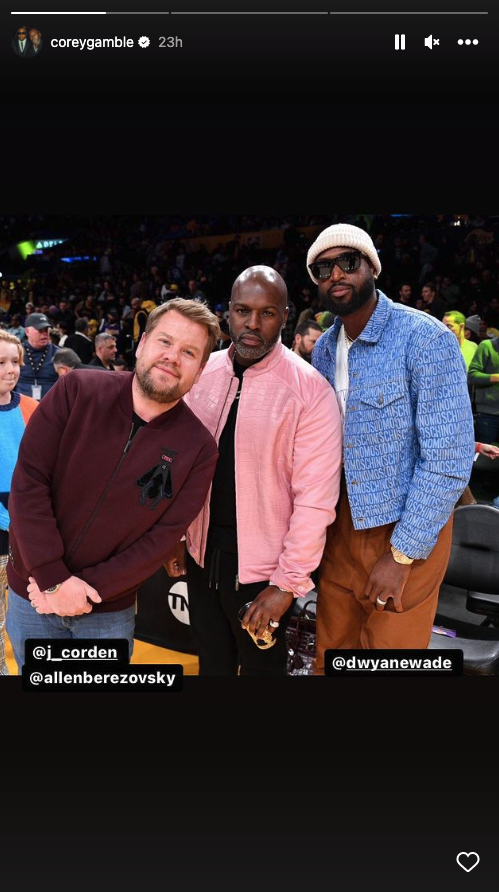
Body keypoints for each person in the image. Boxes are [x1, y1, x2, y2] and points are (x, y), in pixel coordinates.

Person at [6, 299, 220, 670]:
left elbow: (161, 539)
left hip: (106, 611)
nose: (172, 357)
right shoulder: (78, 390)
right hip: (34, 593)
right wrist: (53, 580)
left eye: (189, 352)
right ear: (142, 345)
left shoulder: (199, 448)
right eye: (165, 342)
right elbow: (29, 482)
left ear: (200, 371)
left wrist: (83, 593)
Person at [307, 223, 475, 667]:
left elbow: (449, 460)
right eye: (323, 268)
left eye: (348, 262)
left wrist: (402, 555)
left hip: (404, 530)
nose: (336, 275)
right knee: (331, 658)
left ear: (372, 268)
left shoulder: (424, 338)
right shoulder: (323, 348)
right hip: (340, 525)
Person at [166, 266, 342, 675]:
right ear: (228, 312)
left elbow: (315, 501)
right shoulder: (200, 374)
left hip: (263, 572)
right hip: (201, 554)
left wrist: (285, 585)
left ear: (285, 316)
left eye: (267, 313)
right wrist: (175, 535)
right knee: (212, 665)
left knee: (263, 674)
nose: (252, 324)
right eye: (243, 310)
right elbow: (175, 464)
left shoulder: (310, 391)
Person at [0, 332, 38, 675]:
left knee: (25, 615)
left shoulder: (34, 409)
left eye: (15, 361)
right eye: (1, 363)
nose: (10, 370)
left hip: (27, 531)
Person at [17, 313, 59, 400]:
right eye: (40, 330)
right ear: (27, 331)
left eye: (46, 329)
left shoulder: (59, 354)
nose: (45, 333)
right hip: (21, 405)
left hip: (50, 404)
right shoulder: (16, 352)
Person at [468, 335, 499, 444]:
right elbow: (471, 376)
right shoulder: (487, 346)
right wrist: (496, 377)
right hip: (488, 415)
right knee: (483, 458)